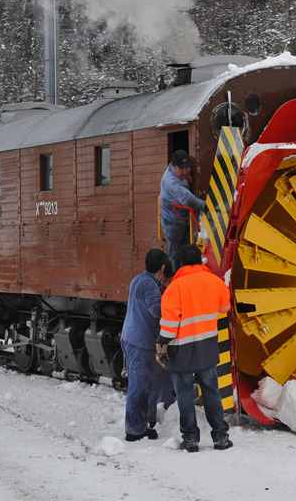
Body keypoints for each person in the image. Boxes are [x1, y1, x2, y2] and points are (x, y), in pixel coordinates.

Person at [155, 244, 232, 452]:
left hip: (182, 351)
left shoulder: (174, 288)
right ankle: (220, 437)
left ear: (179, 263)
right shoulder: (215, 282)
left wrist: (161, 342)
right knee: (211, 391)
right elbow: (225, 308)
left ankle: (191, 439)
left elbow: (170, 326)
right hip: (207, 345)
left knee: (186, 395)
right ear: (200, 261)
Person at [121, 249, 171, 442]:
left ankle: (145, 424)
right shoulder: (150, 285)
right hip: (140, 341)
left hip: (133, 338)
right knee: (139, 385)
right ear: (163, 267)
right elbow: (157, 310)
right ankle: (133, 430)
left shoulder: (138, 280)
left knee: (146, 384)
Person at [159, 150, 205, 271]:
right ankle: (175, 280)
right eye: (182, 169)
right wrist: (208, 207)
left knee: (188, 251)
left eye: (187, 167)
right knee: (175, 255)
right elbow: (189, 200)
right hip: (172, 222)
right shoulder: (171, 182)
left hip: (184, 219)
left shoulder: (180, 172)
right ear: (173, 167)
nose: (186, 171)